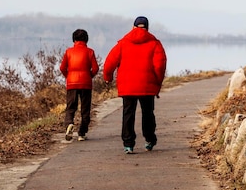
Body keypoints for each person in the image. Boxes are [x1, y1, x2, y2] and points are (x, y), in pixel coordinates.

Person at [103, 16, 167, 154]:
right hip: (147, 86)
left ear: (133, 27)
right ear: (147, 28)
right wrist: (157, 82)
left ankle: (128, 144)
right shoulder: (155, 44)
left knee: (128, 114)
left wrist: (107, 77)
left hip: (128, 87)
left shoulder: (123, 43)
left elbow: (109, 63)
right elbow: (160, 66)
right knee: (148, 113)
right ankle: (149, 139)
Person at [59, 29, 100, 141]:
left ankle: (69, 124)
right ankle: (82, 133)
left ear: (74, 39)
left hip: (72, 83)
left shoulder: (68, 52)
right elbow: (95, 68)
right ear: (86, 39)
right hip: (86, 83)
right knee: (85, 109)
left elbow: (62, 68)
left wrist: (69, 76)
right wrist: (89, 76)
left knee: (71, 107)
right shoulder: (90, 52)